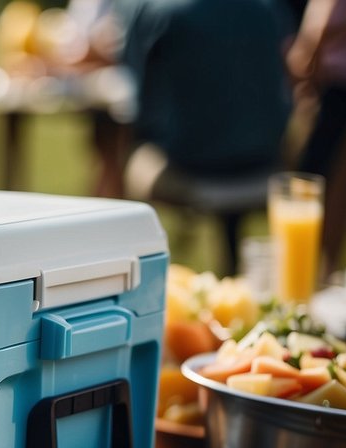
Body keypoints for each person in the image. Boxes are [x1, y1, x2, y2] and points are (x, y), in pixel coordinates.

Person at [116, 0, 295, 273]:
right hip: (264, 162)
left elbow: (138, 98)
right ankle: (228, 264)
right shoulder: (269, 8)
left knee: (127, 152)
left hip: (189, 165)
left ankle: (130, 269)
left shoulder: (160, 10)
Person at [285, 0, 346, 277]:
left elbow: (322, 26)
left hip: (337, 85)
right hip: (338, 83)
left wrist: (306, 54)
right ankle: (323, 270)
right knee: (337, 186)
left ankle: (314, 273)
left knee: (317, 184)